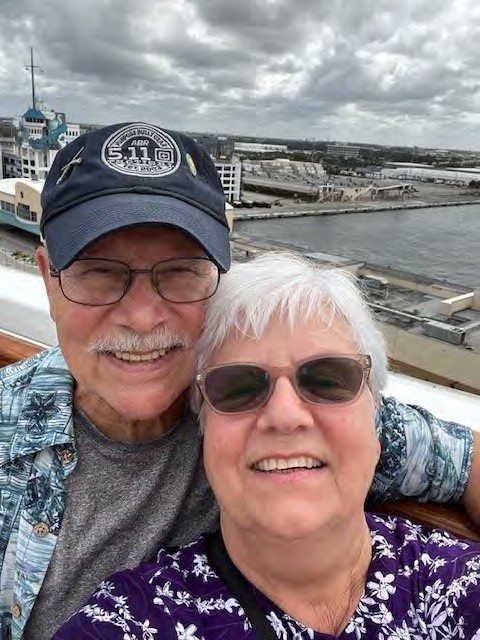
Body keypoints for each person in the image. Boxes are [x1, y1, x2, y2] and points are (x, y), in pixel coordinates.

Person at [0, 123, 478, 640]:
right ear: (49, 278)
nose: (141, 318)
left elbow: (468, 461)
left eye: (180, 271)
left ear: (219, 277)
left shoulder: (290, 408)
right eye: (97, 271)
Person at [54, 253, 480, 639]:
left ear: (378, 420)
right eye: (237, 387)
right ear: (202, 429)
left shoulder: (459, 584)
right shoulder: (134, 621)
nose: (285, 415)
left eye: (329, 380)